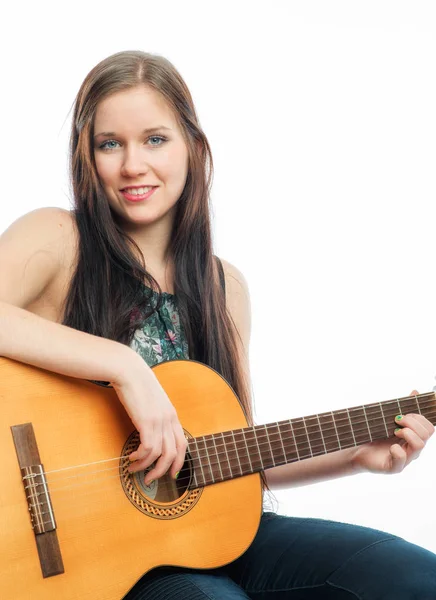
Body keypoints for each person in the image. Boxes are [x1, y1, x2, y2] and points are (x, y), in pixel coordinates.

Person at [0, 50, 435, 599]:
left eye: (155, 139)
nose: (134, 164)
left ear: (193, 147)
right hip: (105, 564)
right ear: (88, 159)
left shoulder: (225, 288)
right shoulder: (58, 239)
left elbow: (236, 453)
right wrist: (125, 368)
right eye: (110, 144)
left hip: (213, 536)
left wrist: (357, 456)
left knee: (413, 579)